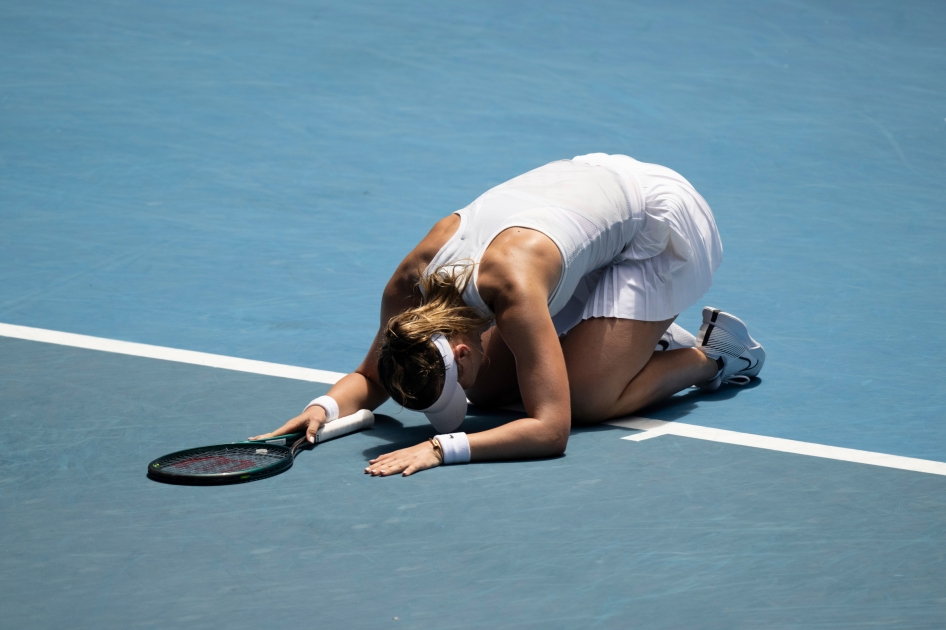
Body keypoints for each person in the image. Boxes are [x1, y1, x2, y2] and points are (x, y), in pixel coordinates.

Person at [253, 153, 764, 476]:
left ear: (459, 347)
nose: (459, 397)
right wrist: (321, 409)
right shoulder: (408, 292)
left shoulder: (514, 291)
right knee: (494, 390)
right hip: (580, 210)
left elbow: (551, 430)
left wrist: (440, 449)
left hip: (655, 224)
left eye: (455, 380)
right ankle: (625, 342)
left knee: (584, 399)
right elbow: (371, 377)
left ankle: (711, 356)